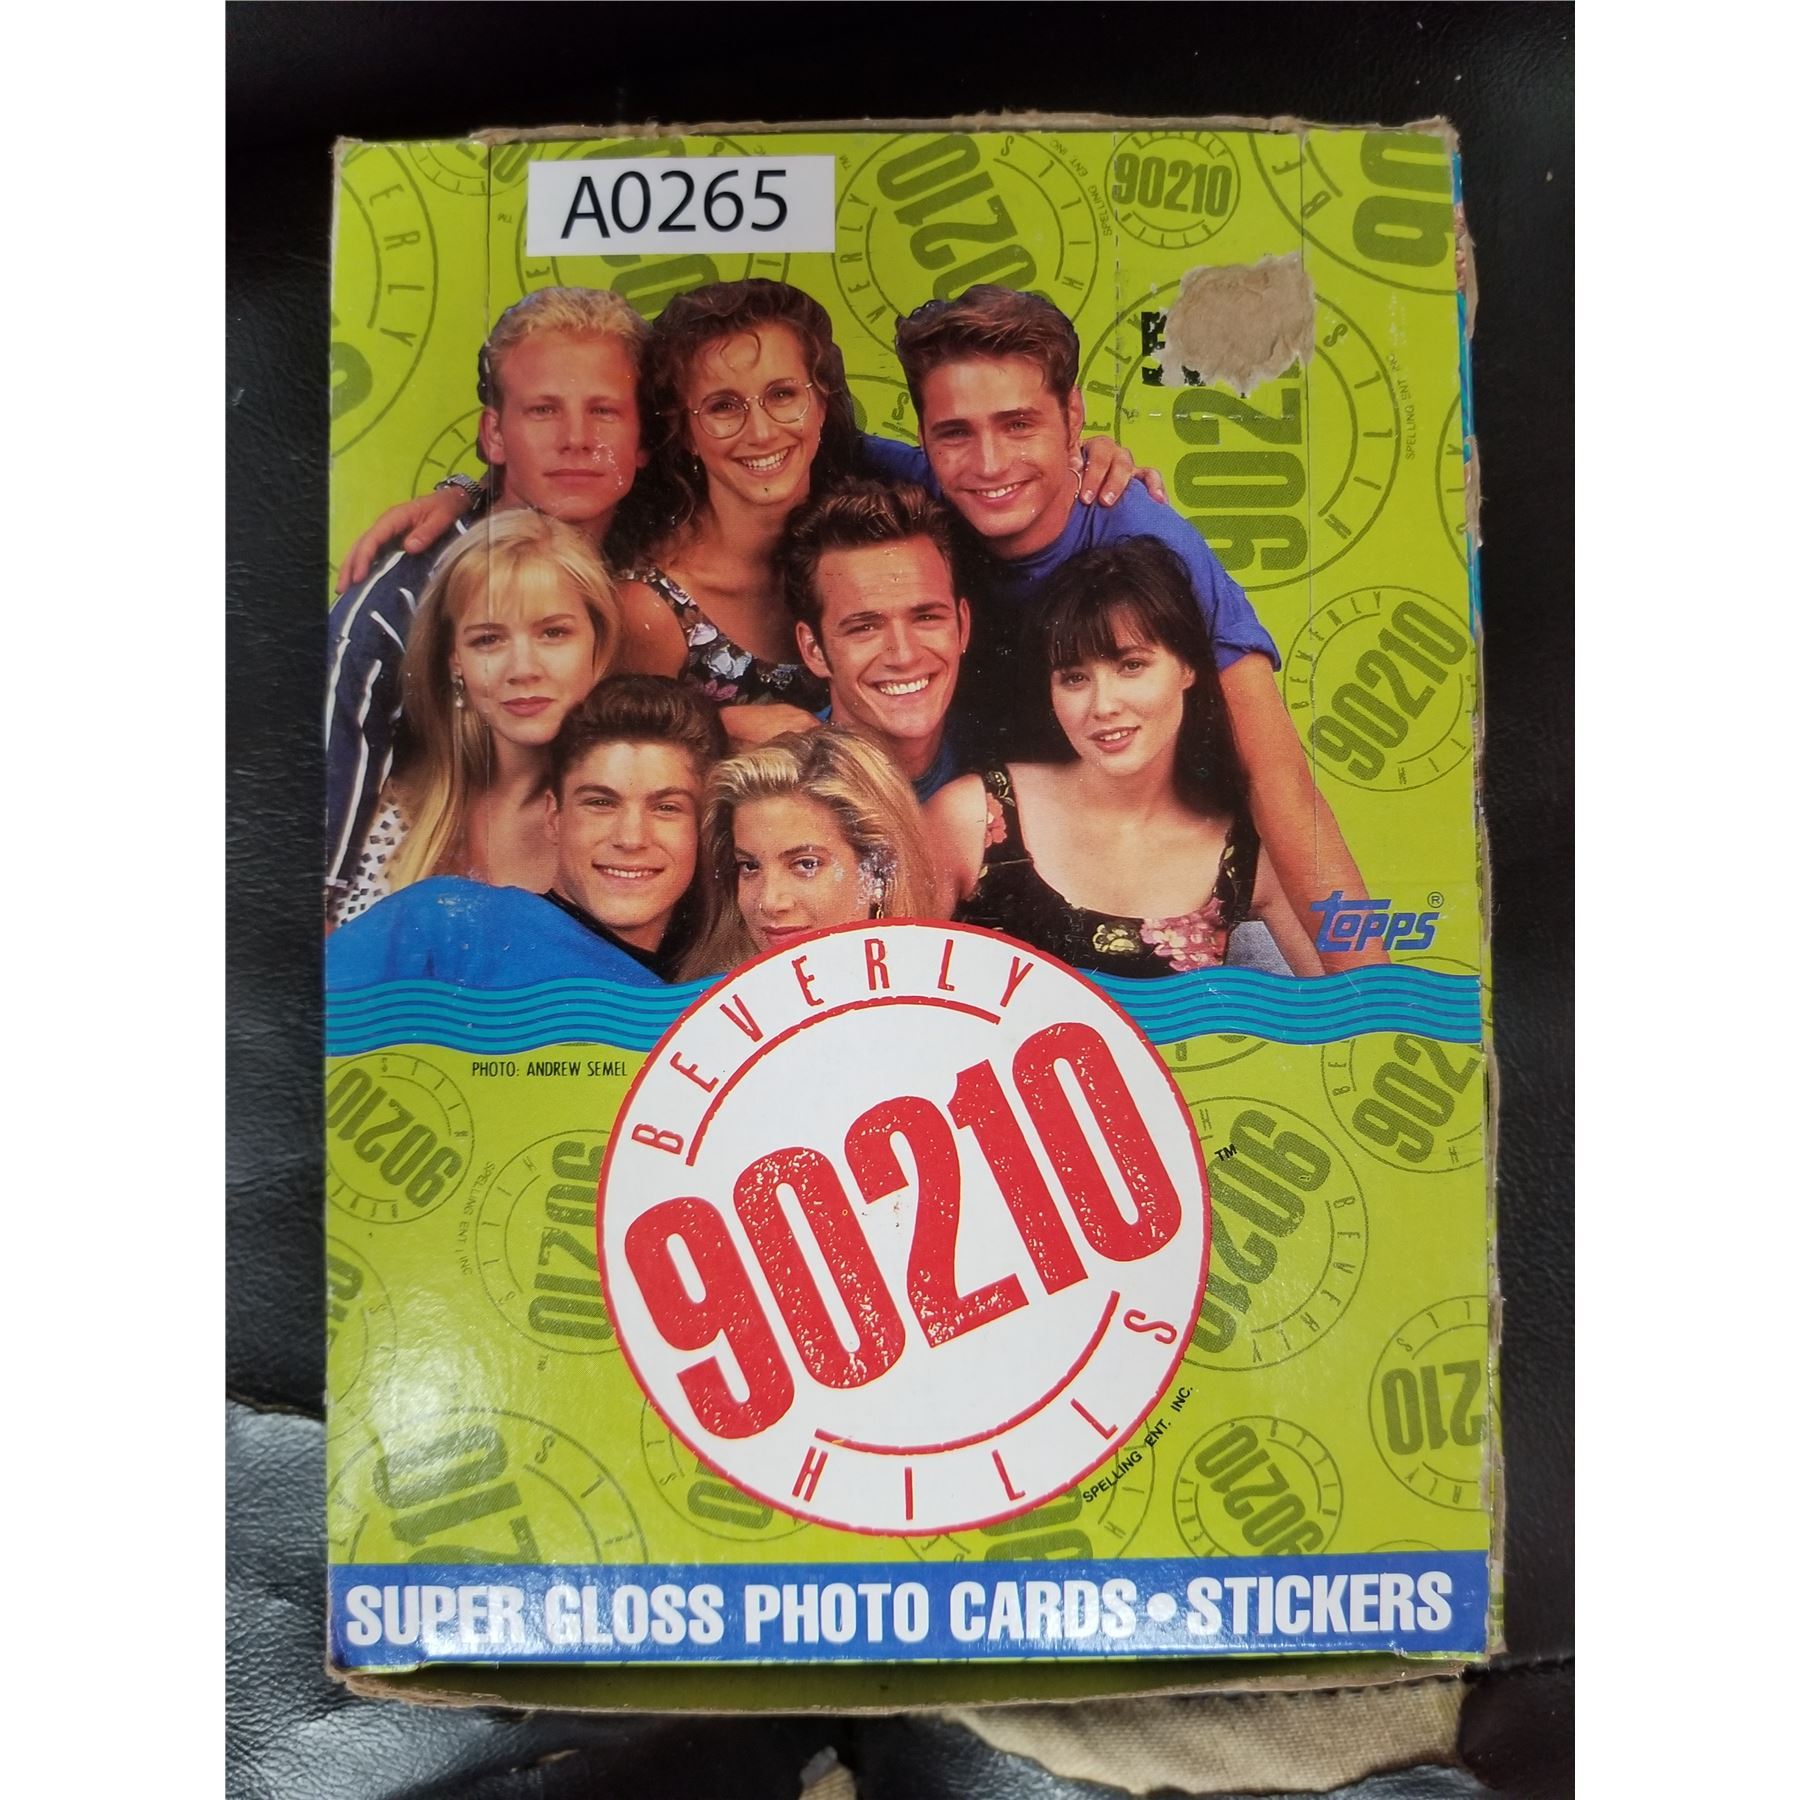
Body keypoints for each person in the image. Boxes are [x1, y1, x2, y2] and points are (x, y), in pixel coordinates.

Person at [862, 284, 1384, 972]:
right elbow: (785, 439)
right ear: (926, 435)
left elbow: (1279, 778)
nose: (988, 464)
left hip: (1162, 889)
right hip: (979, 860)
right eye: (955, 432)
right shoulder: (919, 486)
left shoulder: (1152, 543)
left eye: (1019, 425)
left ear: (1072, 416)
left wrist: (1372, 988)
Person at [326, 286, 668, 910]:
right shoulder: (393, 607)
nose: (576, 438)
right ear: (494, 434)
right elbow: (318, 891)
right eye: (542, 410)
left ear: (644, 438)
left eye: (604, 411)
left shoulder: (652, 554)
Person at [927, 538, 1322, 980]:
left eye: (1131, 665)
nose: (1103, 705)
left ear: (1188, 667)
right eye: (1074, 678)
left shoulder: (1248, 849)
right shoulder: (973, 817)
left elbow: (1352, 1003)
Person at [327, 676, 726, 989]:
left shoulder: (709, 1006)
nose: (631, 838)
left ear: (705, 825)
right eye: (601, 803)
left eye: (667, 807)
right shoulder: (443, 922)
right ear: (554, 816)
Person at [327, 511, 621, 928]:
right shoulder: (396, 818)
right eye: (488, 639)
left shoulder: (631, 822)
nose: (523, 668)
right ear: (455, 661)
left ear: (598, 641)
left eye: (553, 633)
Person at [682, 728, 942, 977]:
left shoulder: (946, 992)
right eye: (749, 866)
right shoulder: (710, 1001)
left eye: (806, 864)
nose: (770, 902)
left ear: (879, 872)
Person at [780, 480, 971, 802]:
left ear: (963, 625)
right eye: (865, 627)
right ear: (814, 650)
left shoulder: (1003, 752)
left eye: (926, 618)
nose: (904, 655)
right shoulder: (783, 793)